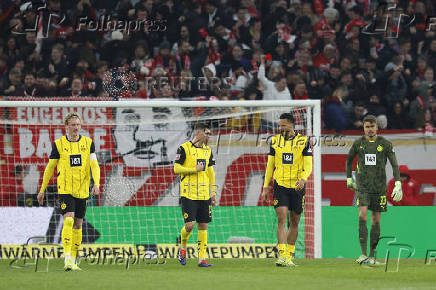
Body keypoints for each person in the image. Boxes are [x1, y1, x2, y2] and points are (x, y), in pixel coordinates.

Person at [37, 112, 100, 271]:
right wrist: (42, 189)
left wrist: (97, 183)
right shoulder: (58, 144)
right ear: (66, 127)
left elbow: (94, 165)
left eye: (78, 125)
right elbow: (50, 168)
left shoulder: (88, 143)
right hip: (65, 189)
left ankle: (73, 258)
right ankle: (66, 258)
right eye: (72, 125)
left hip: (83, 190)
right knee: (69, 220)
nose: (76, 128)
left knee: (78, 225)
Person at [346, 115, 402, 265]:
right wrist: (349, 178)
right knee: (362, 216)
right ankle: (363, 254)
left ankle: (372, 256)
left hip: (379, 188)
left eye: (372, 126)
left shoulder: (385, 144)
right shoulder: (358, 143)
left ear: (377, 127)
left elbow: (394, 165)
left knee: (376, 221)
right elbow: (349, 160)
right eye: (367, 127)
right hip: (362, 187)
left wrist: (398, 183)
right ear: (363, 128)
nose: (370, 129)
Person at [261, 113, 313, 267]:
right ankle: (282, 254)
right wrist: (265, 187)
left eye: (283, 125)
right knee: (281, 217)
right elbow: (270, 165)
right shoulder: (275, 141)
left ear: (292, 125)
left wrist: (303, 179)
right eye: (279, 125)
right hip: (281, 185)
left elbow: (308, 164)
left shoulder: (304, 141)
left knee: (295, 221)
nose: (281, 128)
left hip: (297, 186)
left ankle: (289, 255)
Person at [174, 123, 216, 267]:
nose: (209, 136)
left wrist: (213, 192)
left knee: (203, 226)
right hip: (188, 193)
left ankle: (202, 258)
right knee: (190, 225)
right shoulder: (184, 148)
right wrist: (194, 169)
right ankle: (183, 247)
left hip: (204, 195)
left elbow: (210, 173)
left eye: (210, 134)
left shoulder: (208, 150)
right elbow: (176, 168)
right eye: (207, 133)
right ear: (198, 133)